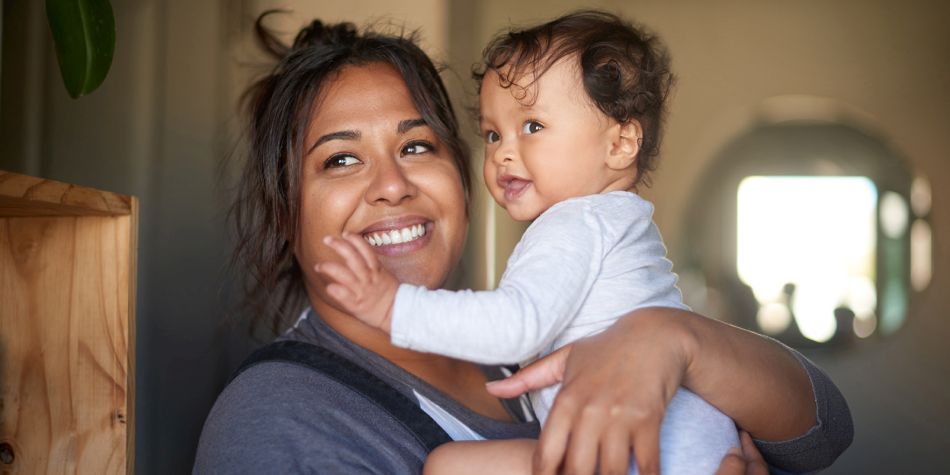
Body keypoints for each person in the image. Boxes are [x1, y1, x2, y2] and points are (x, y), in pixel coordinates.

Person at [193, 13, 853, 475]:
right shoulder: (278, 418)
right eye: (340, 160)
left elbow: (823, 433)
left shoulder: (522, 338)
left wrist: (675, 338)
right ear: (287, 213)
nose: (392, 185)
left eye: (417, 145)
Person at [317, 10, 737, 475]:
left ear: (620, 144)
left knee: (449, 466)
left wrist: (392, 307)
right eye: (493, 135)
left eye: (532, 127)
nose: (503, 153)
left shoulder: (577, 223)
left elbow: (517, 326)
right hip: (686, 446)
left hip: (647, 452)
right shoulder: (618, 221)